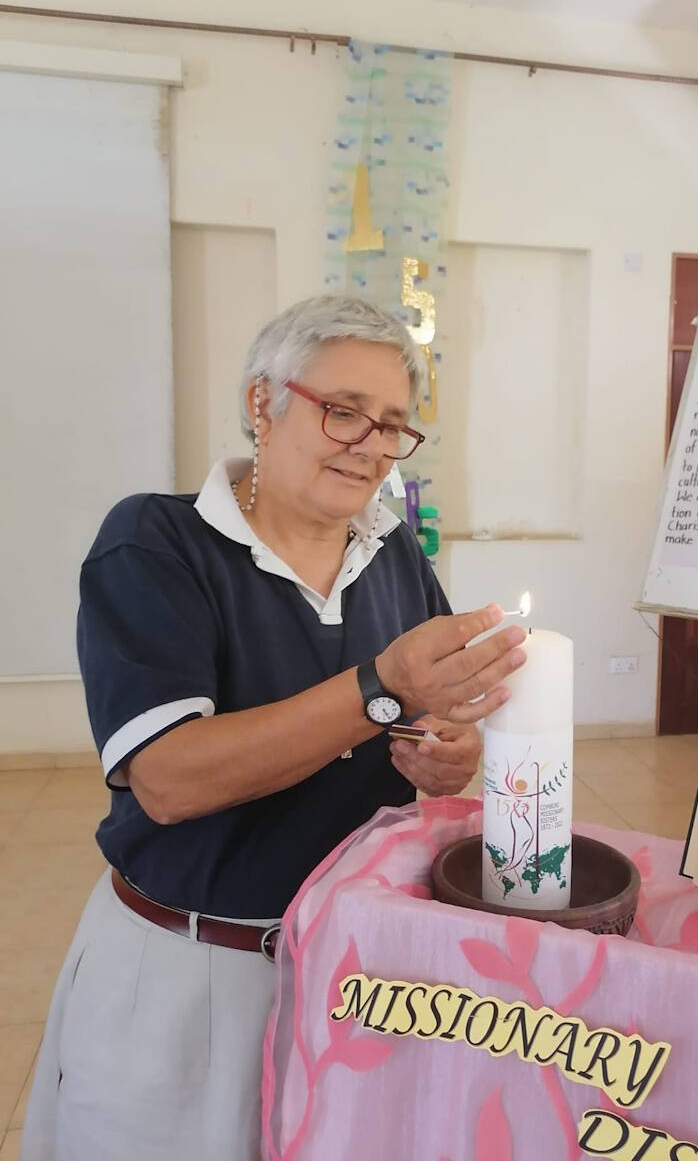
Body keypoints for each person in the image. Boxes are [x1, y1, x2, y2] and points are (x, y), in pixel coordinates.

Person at [22, 295, 526, 1161]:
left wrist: (450, 751)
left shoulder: (394, 551)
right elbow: (170, 780)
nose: (370, 444)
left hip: (359, 963)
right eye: (344, 411)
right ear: (264, 402)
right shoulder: (157, 542)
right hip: (196, 971)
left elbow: (427, 717)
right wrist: (377, 687)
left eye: (394, 425)